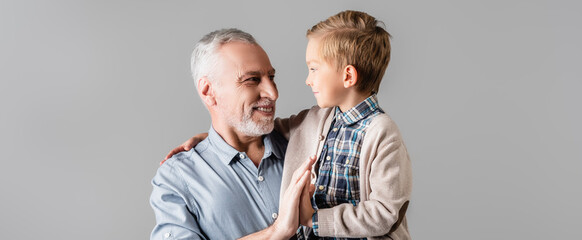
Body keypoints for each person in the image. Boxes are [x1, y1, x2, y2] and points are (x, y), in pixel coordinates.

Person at [166, 10, 412, 239]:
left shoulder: (381, 132)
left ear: (348, 76)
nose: (307, 80)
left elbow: (386, 212)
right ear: (208, 91)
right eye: (252, 79)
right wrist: (211, 142)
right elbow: (260, 126)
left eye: (314, 69)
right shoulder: (317, 120)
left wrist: (315, 219)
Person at [149, 28, 315, 240]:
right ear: (209, 91)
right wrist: (276, 232)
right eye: (252, 79)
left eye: (271, 77)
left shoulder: (306, 140)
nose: (273, 93)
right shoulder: (178, 177)